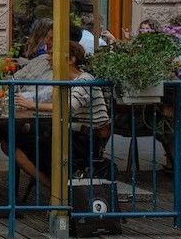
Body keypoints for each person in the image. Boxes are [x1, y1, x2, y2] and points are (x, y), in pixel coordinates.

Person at [12, 41, 111, 185]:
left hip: (86, 143)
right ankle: (58, 191)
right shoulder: (67, 81)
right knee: (15, 143)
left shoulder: (84, 80)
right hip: (75, 137)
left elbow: (67, 107)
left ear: (71, 60)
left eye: (53, 54)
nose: (48, 58)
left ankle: (59, 191)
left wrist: (32, 105)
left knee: (19, 144)